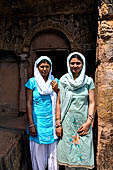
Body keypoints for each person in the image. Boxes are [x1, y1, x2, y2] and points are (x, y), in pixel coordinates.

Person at [56, 52, 95, 170]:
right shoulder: (63, 80)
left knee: (83, 154)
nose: (75, 66)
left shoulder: (88, 81)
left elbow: (92, 102)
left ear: (83, 64)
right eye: (72, 63)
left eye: (78, 63)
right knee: (69, 159)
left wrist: (89, 122)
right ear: (68, 64)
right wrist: (58, 124)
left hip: (83, 125)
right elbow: (59, 102)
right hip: (67, 124)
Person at [25, 56, 59, 170]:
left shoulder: (55, 82)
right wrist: (31, 124)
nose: (44, 69)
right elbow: (29, 104)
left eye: (47, 66)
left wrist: (57, 90)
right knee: (37, 155)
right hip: (37, 123)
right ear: (37, 67)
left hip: (52, 123)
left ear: (50, 68)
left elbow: (60, 101)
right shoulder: (32, 82)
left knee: (53, 156)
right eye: (42, 66)